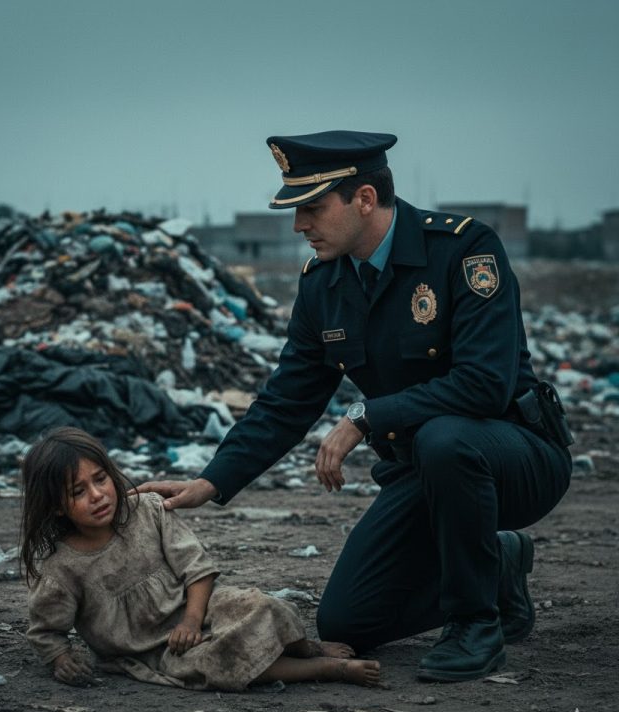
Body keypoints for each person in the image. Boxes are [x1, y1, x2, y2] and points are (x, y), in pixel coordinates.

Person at [137, 130, 573, 682]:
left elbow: (484, 385)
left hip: (516, 458)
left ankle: (476, 626)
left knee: (446, 439)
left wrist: (366, 417)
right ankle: (501, 563)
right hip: (426, 474)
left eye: (312, 208)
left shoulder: (464, 249)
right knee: (349, 621)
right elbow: (287, 398)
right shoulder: (324, 284)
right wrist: (212, 482)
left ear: (364, 199)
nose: (300, 226)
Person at [19, 426, 381, 690]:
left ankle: (306, 647)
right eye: (78, 491)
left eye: (100, 479)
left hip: (199, 608)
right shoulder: (61, 568)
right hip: (154, 650)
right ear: (54, 507)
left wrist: (192, 621)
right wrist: (62, 660)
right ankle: (326, 668)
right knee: (219, 663)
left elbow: (198, 571)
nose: (97, 495)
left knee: (260, 605)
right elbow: (47, 630)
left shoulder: (147, 511)